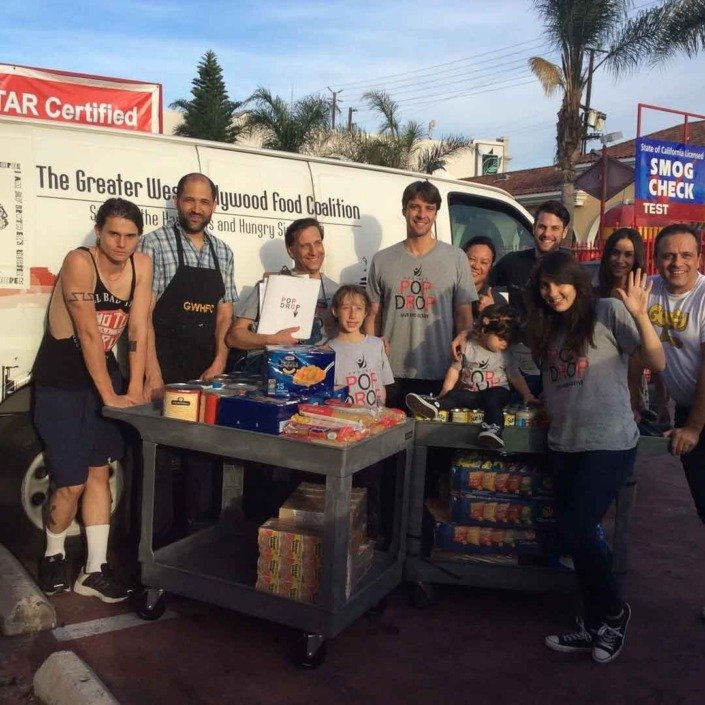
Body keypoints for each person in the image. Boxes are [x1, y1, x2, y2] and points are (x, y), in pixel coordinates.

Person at [524, 250, 664, 664]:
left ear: (577, 281)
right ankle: (593, 620)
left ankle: (615, 613)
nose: (552, 293)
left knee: (580, 529)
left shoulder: (606, 311)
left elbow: (655, 361)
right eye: (544, 287)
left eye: (559, 283)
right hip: (564, 444)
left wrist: (639, 314)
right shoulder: (546, 327)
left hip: (609, 442)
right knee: (578, 537)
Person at [33, 197, 152, 601]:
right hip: (63, 379)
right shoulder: (79, 261)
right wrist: (110, 396)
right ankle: (52, 555)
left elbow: (138, 328)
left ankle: (94, 569)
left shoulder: (142, 265)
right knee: (71, 481)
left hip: (103, 373)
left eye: (130, 236)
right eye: (114, 233)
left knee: (100, 471)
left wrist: (134, 387)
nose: (122, 244)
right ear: (99, 230)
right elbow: (88, 335)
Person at [140, 173, 238, 538]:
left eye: (204, 202)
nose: (196, 209)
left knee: (201, 463)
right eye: (189, 200)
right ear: (177, 200)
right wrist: (152, 376)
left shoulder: (223, 252)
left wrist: (219, 362)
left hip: (204, 373)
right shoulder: (155, 244)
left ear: (214, 205)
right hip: (163, 369)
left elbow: (225, 314)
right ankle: (157, 546)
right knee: (161, 465)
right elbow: (143, 316)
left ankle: (195, 543)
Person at [364, 180, 476, 409]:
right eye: (415, 206)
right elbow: (373, 315)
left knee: (435, 442)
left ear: (436, 213)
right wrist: (372, 364)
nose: (421, 214)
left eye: (429, 208)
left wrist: (462, 361)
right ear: (404, 209)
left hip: (441, 372)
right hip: (391, 373)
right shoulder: (382, 260)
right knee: (393, 443)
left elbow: (464, 316)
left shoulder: (456, 258)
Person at [646, 224, 705, 619]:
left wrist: (694, 428)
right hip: (688, 410)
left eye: (685, 255)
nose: (677, 263)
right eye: (668, 255)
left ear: (699, 257)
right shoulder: (649, 289)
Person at [405, 303, 538, 448]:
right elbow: (454, 370)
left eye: (508, 340)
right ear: (484, 329)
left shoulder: (506, 354)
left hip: (498, 391)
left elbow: (514, 375)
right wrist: (445, 392)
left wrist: (527, 394)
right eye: (500, 339)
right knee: (456, 395)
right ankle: (435, 405)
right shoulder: (467, 345)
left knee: (493, 399)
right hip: (472, 394)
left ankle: (494, 430)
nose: (504, 344)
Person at [226, 217, 338, 352]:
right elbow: (234, 337)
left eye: (318, 243)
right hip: (277, 368)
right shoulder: (270, 286)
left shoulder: (338, 291)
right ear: (291, 251)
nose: (313, 251)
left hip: (322, 370)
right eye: (305, 246)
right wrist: (272, 340)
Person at [489, 199, 571, 310]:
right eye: (542, 227)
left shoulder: (571, 269)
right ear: (534, 228)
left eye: (555, 228)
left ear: (564, 232)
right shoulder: (513, 262)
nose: (547, 234)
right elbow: (482, 285)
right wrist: (494, 304)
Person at [328, 285, 394, 407]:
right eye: (346, 308)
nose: (352, 315)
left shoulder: (377, 345)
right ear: (335, 311)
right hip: (345, 421)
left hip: (375, 421)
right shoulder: (327, 351)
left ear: (365, 313)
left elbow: (382, 385)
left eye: (359, 308)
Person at [462, 235, 505, 317]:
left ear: (490, 267)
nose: (476, 266)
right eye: (472, 259)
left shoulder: (497, 301)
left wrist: (491, 311)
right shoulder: (447, 294)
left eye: (484, 262)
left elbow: (504, 328)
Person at [597, 228, 646, 298]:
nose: (620, 260)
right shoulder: (593, 294)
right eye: (615, 253)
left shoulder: (645, 293)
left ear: (636, 258)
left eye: (628, 255)